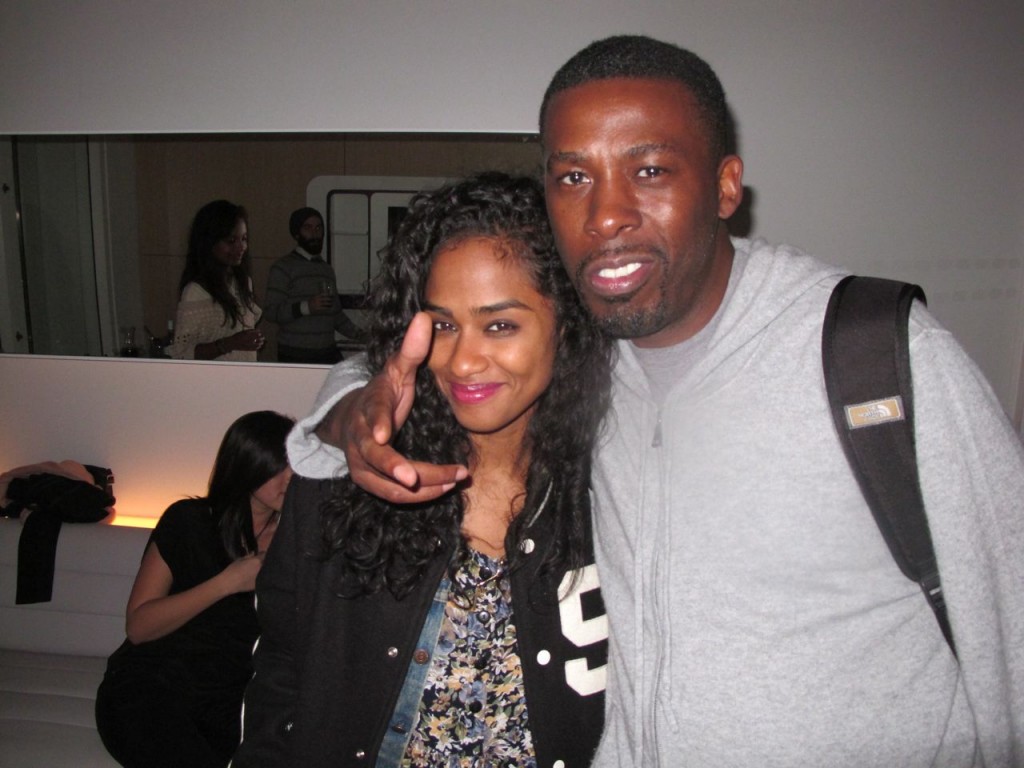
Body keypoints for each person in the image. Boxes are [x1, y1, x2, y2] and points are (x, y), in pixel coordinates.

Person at [287, 35, 1024, 768]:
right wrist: (353, 409)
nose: (606, 215)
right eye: (574, 177)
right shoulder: (599, 361)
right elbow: (433, 364)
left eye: (649, 170)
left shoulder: (878, 360)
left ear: (726, 186)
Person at [232, 174, 612, 767]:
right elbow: (282, 658)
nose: (462, 360)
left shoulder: (610, 492)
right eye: (443, 324)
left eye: (500, 325)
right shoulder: (355, 473)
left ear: (566, 324)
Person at [95, 410, 294, 768]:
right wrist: (228, 582)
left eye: (296, 464)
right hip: (152, 686)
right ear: (246, 466)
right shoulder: (189, 521)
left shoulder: (296, 542)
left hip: (230, 701)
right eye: (277, 467)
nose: (290, 477)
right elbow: (138, 627)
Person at [263, 206, 367, 364]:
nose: (315, 233)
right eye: (308, 228)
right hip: (295, 354)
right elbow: (271, 312)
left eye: (318, 228)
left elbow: (336, 315)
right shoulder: (283, 267)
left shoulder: (326, 270)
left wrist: (364, 336)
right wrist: (306, 307)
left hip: (326, 352)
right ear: (297, 234)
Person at [166, 200, 265, 361]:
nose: (241, 247)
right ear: (209, 242)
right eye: (231, 241)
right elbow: (183, 354)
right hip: (213, 376)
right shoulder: (196, 290)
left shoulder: (242, 282)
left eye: (244, 239)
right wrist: (231, 343)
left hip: (244, 374)